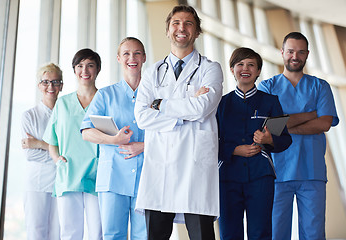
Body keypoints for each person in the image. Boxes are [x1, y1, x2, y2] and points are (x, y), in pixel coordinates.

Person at [134, 5, 223, 240]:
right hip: (159, 165)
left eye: (188, 24)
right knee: (156, 235)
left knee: (201, 235)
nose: (181, 28)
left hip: (195, 166)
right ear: (167, 30)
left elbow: (203, 107)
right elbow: (142, 117)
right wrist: (187, 106)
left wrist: (160, 104)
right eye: (176, 23)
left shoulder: (210, 69)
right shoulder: (153, 73)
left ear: (196, 32)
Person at [258, 32, 339, 240]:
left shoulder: (320, 86)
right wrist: (310, 114)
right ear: (282, 53)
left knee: (314, 234)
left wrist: (282, 126)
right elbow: (267, 127)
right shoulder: (267, 87)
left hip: (311, 173)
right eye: (291, 51)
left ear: (307, 54)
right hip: (276, 172)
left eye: (301, 52)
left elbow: (324, 123)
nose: (295, 56)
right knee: (276, 233)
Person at [217, 47, 292, 240]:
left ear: (258, 71)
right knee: (229, 232)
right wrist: (234, 150)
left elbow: (285, 139)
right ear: (232, 69)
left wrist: (269, 139)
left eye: (251, 65)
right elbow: (208, 143)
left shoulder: (270, 102)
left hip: (261, 176)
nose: (245, 68)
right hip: (227, 177)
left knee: (260, 232)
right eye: (240, 64)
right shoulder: (220, 104)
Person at [80, 37, 147, 239]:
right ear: (119, 58)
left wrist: (144, 145)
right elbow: (86, 131)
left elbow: (170, 132)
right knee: (112, 235)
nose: (131, 58)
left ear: (144, 57)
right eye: (126, 53)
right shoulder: (105, 95)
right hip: (113, 178)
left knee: (144, 236)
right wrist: (115, 140)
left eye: (136, 53)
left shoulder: (154, 95)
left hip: (146, 177)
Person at [43, 48, 102, 240]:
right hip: (68, 175)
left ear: (98, 69)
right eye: (80, 66)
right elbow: (52, 141)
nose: (84, 70)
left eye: (90, 65)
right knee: (70, 234)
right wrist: (56, 159)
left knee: (99, 233)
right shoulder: (63, 104)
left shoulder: (105, 100)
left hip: (98, 175)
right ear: (74, 70)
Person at [21, 63, 63, 240]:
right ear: (39, 85)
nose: (50, 87)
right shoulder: (29, 115)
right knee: (36, 231)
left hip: (61, 181)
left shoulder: (65, 113)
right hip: (37, 183)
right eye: (45, 82)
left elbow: (71, 150)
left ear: (61, 85)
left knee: (58, 233)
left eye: (55, 82)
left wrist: (39, 143)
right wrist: (56, 152)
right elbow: (30, 154)